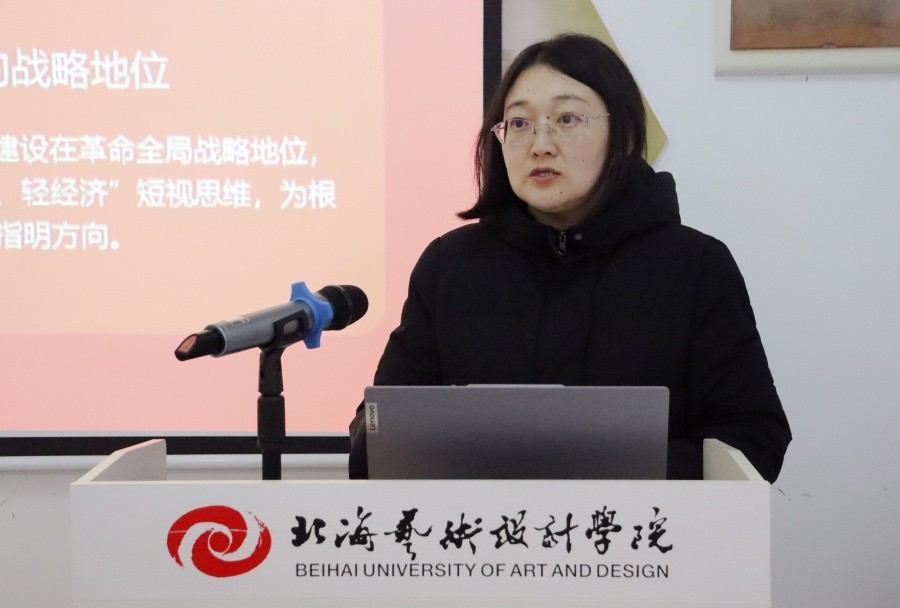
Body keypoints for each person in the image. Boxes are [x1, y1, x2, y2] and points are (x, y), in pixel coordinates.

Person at [349, 34, 791, 482]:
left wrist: (605, 470)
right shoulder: (450, 267)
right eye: (519, 123)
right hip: (478, 528)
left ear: (624, 135)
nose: (540, 144)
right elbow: (376, 436)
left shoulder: (694, 267)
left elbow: (755, 441)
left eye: (566, 118)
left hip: (638, 528)